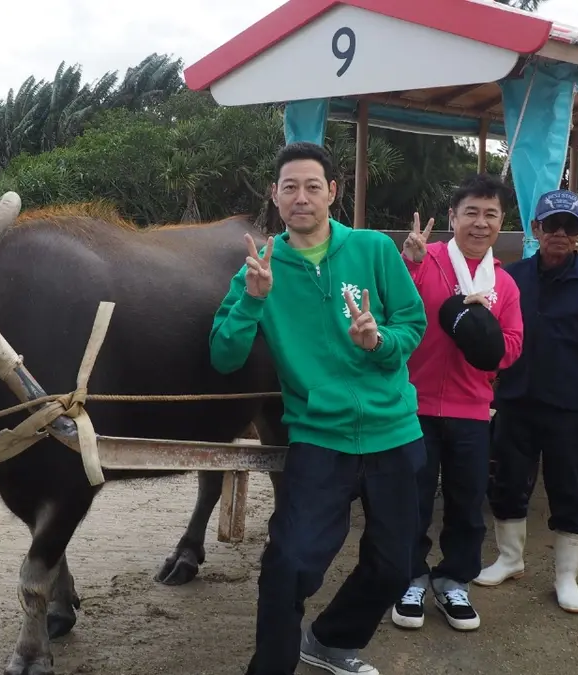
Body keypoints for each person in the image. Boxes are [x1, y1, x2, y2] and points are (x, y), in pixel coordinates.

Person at [209, 141, 429, 675]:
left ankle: (330, 641)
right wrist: (254, 300)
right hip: (318, 437)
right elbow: (223, 354)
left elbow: (413, 324)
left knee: (395, 566)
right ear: (275, 196)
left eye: (312, 186)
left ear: (332, 192)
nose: (301, 197)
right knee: (288, 564)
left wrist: (379, 342)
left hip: (394, 431)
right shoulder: (260, 269)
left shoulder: (374, 250)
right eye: (290, 187)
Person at [474, 189, 578, 614]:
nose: (559, 233)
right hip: (515, 401)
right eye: (550, 224)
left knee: (569, 491)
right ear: (535, 229)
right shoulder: (510, 277)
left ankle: (566, 577)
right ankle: (509, 558)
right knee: (507, 482)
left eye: (569, 226)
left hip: (568, 408)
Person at [390, 173, 524, 632]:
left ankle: (454, 582)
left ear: (501, 222)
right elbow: (391, 309)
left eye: (491, 214)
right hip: (416, 405)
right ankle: (410, 578)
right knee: (414, 499)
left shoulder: (503, 285)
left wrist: (481, 330)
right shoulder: (423, 259)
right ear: (452, 217)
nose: (481, 223)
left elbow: (512, 345)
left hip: (471, 409)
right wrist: (408, 263)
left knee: (467, 502)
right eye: (471, 212)